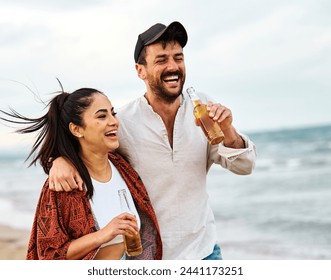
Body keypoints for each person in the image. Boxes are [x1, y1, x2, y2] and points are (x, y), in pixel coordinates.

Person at [49, 21, 257, 260]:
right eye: (161, 60)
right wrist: (60, 160)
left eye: (178, 58)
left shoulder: (204, 109)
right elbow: (85, 149)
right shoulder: (122, 121)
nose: (173, 66)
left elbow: (245, 167)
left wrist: (228, 130)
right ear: (140, 71)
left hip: (204, 252)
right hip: (149, 259)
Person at [0, 87, 162, 260]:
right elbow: (49, 255)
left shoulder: (122, 166)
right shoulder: (64, 183)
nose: (114, 121)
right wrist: (103, 234)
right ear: (77, 130)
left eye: (113, 114)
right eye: (102, 116)